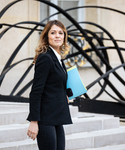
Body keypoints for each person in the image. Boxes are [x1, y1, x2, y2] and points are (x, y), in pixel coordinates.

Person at [27, 20, 72, 150]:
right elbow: (36, 91)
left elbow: (55, 85)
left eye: (60, 33)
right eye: (53, 33)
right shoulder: (45, 57)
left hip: (57, 117)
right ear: (47, 37)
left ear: (64, 37)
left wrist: (66, 95)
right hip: (46, 119)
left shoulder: (58, 58)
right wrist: (34, 121)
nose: (57, 36)